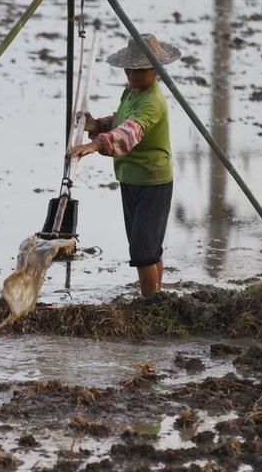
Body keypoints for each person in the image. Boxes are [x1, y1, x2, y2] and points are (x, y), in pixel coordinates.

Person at [68, 33, 180, 297]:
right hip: (131, 178)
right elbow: (120, 120)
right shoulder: (130, 92)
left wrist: (95, 145)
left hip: (152, 181)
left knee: (143, 251)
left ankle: (149, 302)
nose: (132, 74)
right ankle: (156, 295)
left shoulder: (152, 102)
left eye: (140, 70)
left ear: (156, 70)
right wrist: (96, 125)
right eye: (129, 69)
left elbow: (129, 133)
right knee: (147, 245)